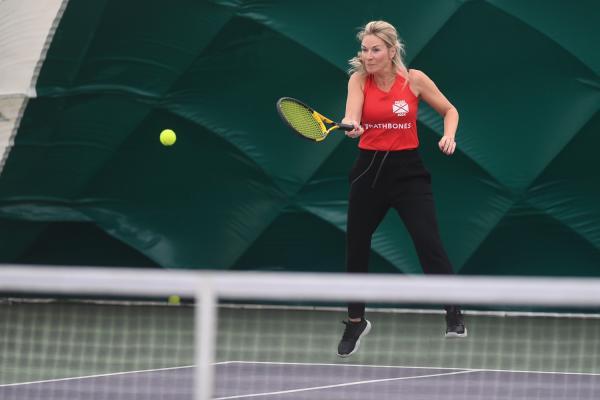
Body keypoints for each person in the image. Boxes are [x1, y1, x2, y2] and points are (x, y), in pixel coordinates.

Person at [337, 20, 466, 358]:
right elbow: (352, 115)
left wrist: (448, 134)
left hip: (409, 173)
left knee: (428, 243)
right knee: (356, 246)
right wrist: (352, 125)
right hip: (368, 172)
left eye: (375, 49)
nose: (368, 56)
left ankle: (453, 310)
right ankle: (355, 320)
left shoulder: (415, 80)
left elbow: (449, 110)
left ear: (392, 51)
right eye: (364, 49)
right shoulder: (358, 81)